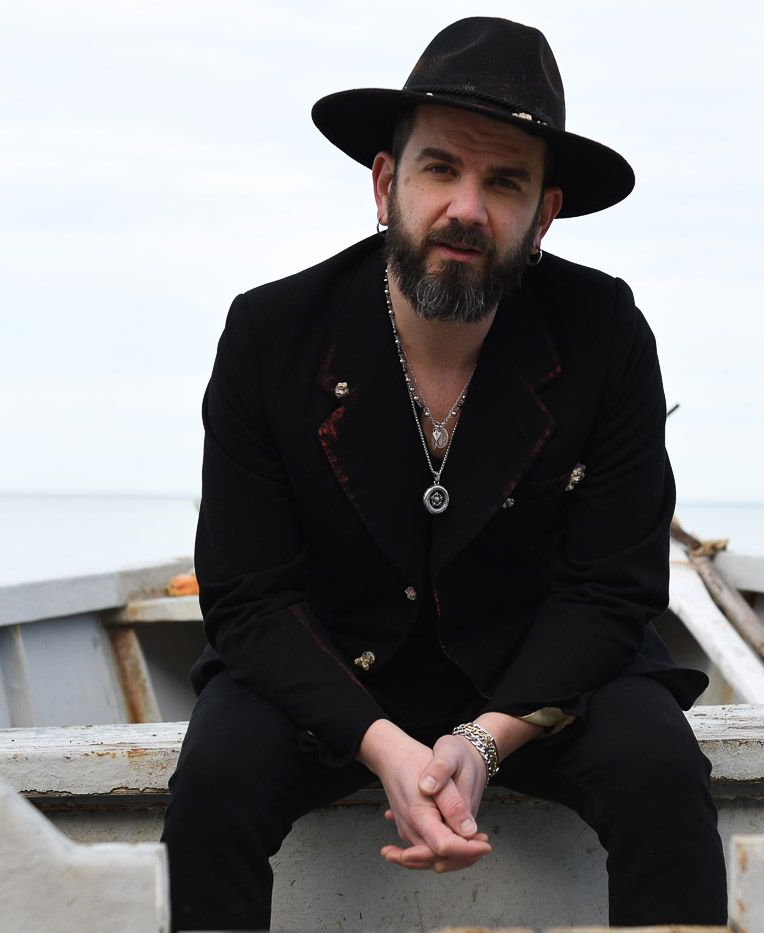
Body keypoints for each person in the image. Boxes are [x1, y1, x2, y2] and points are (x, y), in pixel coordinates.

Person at [161, 17, 727, 931]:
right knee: (216, 776)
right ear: (386, 184)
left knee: (660, 765)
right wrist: (385, 745)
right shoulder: (271, 334)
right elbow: (251, 596)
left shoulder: (606, 333)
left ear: (543, 215)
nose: (467, 207)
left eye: (505, 182)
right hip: (331, 672)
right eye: (440, 169)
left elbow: (612, 588)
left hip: (536, 677)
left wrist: (483, 741)